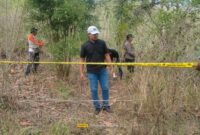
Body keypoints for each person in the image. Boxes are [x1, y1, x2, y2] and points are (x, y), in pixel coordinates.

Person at [80, 26, 113, 115]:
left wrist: (111, 67)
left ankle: (106, 105)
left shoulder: (102, 43)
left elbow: (106, 55)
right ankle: (97, 107)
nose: (95, 35)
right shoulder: (85, 45)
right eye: (93, 34)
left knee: (105, 88)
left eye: (96, 34)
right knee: (94, 89)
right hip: (91, 72)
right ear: (88, 34)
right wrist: (81, 73)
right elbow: (82, 59)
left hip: (102, 70)